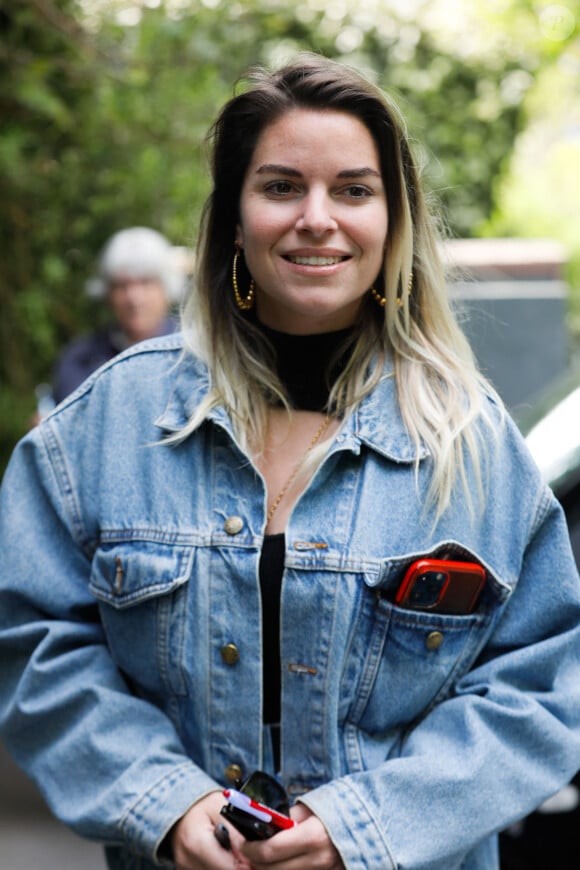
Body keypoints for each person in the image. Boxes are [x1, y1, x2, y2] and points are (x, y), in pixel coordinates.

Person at [1, 53, 580, 870]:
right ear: (234, 218)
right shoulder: (106, 428)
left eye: (353, 189)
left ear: (393, 218)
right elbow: (32, 643)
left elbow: (545, 688)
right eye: (280, 187)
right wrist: (167, 801)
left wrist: (365, 829)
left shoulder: (472, 444)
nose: (318, 217)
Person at [52, 226, 182, 405]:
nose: (134, 298)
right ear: (108, 293)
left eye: (145, 283)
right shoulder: (81, 359)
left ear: (167, 289)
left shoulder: (193, 351)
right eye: (122, 286)